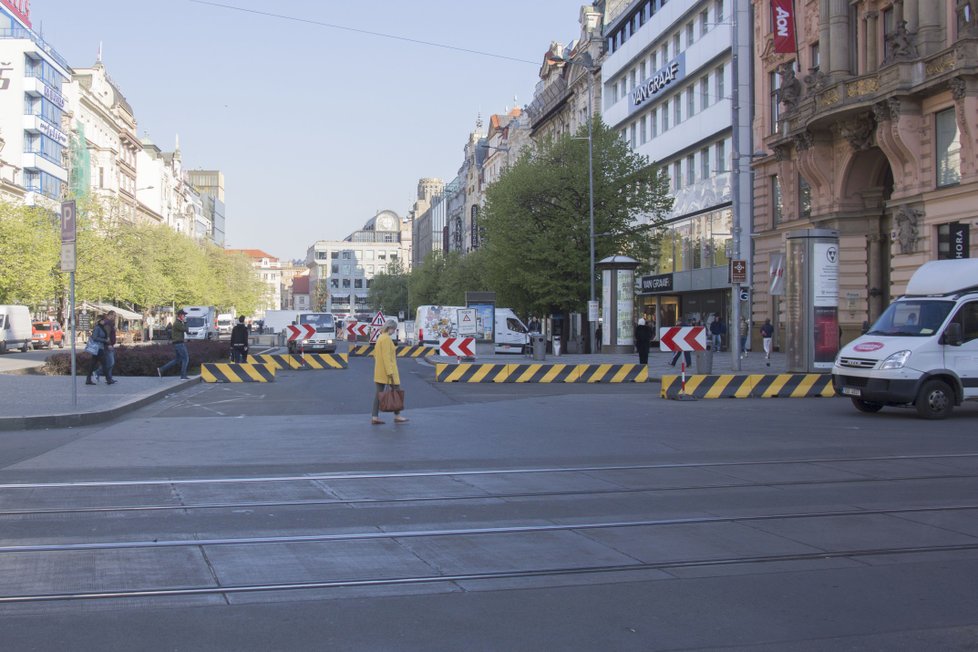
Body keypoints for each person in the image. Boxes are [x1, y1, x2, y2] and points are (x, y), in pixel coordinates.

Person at [371, 318, 407, 425]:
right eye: (394, 329)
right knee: (397, 392)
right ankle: (398, 415)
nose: (394, 331)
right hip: (388, 372)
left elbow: (375, 355)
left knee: (379, 395)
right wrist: (390, 372)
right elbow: (387, 357)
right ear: (390, 328)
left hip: (379, 371)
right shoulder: (386, 339)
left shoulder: (380, 338)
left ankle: (375, 417)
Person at [158, 309, 190, 379]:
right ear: (180, 315)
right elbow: (186, 329)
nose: (184, 316)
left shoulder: (179, 323)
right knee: (186, 358)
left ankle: (161, 369)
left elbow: (186, 331)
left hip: (178, 344)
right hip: (179, 344)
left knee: (177, 360)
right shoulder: (177, 323)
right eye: (184, 315)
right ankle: (183, 375)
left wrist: (184, 323)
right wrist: (186, 322)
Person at [85, 314, 116, 385]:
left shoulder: (101, 327)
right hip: (98, 348)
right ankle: (108, 379)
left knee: (93, 364)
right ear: (99, 320)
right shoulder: (97, 328)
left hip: (99, 348)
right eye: (103, 320)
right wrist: (104, 340)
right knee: (104, 364)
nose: (104, 321)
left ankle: (88, 379)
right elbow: (94, 337)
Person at [92, 310, 118, 384]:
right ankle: (97, 372)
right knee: (110, 363)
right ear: (110, 315)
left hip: (108, 345)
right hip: (107, 346)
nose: (115, 317)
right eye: (114, 315)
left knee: (108, 362)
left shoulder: (109, 323)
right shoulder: (108, 323)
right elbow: (107, 334)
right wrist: (109, 344)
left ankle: (109, 379)